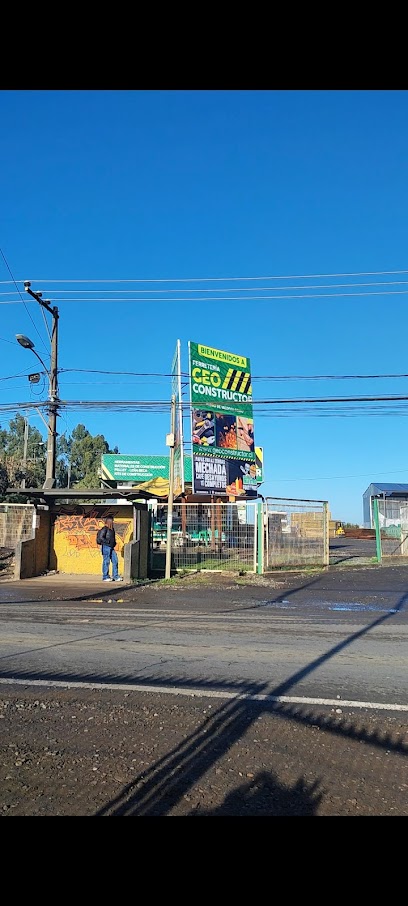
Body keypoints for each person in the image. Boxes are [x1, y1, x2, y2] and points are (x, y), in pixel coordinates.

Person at [99, 516, 123, 582]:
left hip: (111, 547)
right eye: (112, 521)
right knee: (106, 562)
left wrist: (114, 543)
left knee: (115, 561)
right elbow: (101, 537)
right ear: (109, 521)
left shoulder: (112, 529)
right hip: (106, 547)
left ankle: (115, 576)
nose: (113, 522)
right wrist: (108, 542)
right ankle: (105, 576)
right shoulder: (104, 529)